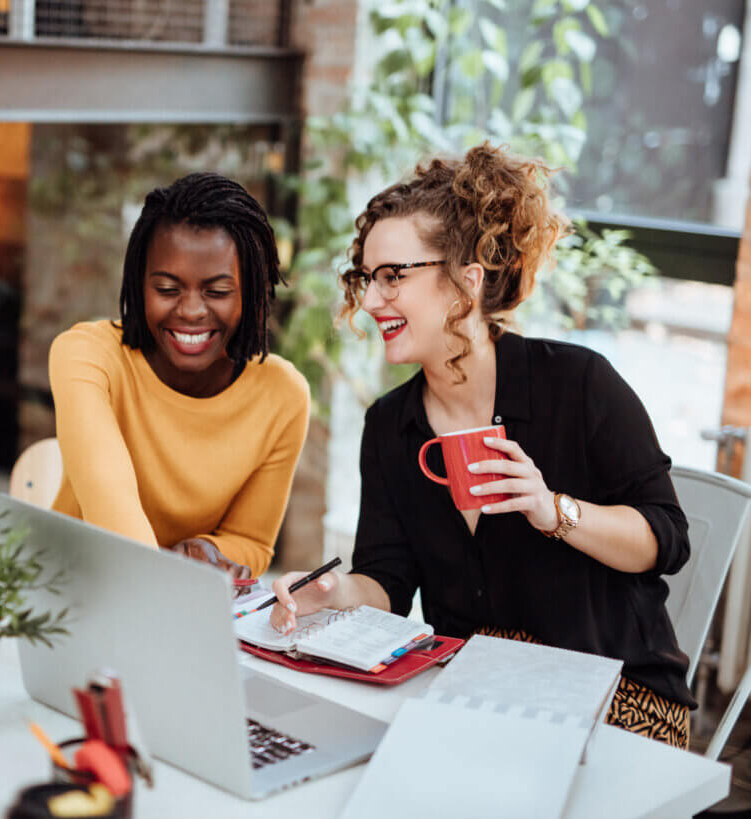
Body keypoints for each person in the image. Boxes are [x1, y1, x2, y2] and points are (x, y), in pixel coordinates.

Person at [270, 143, 694, 748]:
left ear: (465, 282)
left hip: (615, 693)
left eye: (393, 277)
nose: (369, 300)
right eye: (367, 278)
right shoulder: (391, 426)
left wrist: (554, 511)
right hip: (479, 691)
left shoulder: (578, 385)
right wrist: (334, 595)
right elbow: (389, 583)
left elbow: (666, 541)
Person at [49, 172, 310, 579]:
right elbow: (108, 494)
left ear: (253, 293)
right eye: (168, 289)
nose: (190, 311)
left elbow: (252, 542)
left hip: (181, 602)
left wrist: (207, 550)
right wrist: (166, 576)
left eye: (218, 292)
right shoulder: (87, 355)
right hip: (73, 587)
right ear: (139, 286)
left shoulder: (283, 395)